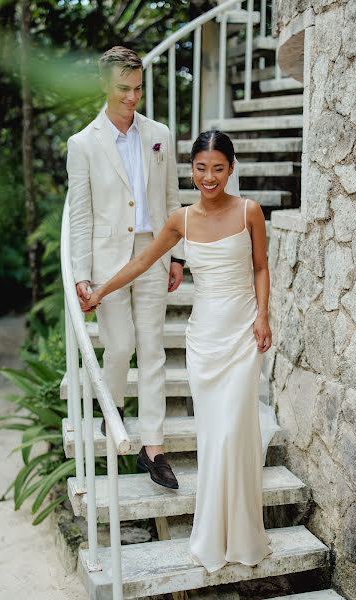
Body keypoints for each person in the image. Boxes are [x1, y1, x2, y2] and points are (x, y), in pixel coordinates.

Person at [81, 130, 274, 572]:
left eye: (219, 168)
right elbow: (142, 262)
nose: (209, 177)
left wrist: (263, 316)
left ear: (232, 168)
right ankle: (212, 536)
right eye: (201, 168)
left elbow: (261, 267)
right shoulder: (181, 220)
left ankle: (244, 535)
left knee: (234, 435)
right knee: (213, 438)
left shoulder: (250, 212)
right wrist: (100, 290)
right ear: (191, 169)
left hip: (243, 335)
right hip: (204, 340)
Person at [66, 46, 185, 490]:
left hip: (152, 252)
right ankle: (111, 407)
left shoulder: (160, 134)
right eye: (123, 89)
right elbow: (80, 214)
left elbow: (172, 201)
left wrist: (176, 255)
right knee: (120, 347)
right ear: (103, 84)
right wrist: (82, 272)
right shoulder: (82, 144)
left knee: (153, 349)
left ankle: (153, 447)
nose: (133, 97)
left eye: (138, 88)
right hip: (107, 260)